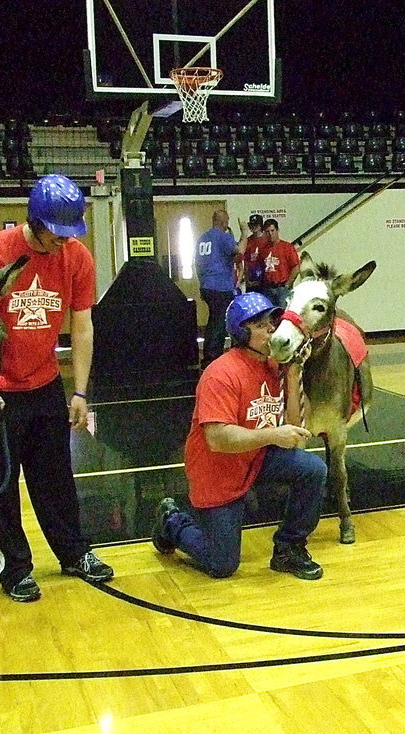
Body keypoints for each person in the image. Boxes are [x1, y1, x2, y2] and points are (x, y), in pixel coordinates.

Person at [0, 173, 114, 602]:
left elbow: (82, 324)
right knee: (2, 484)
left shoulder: (76, 257)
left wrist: (80, 391)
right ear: (36, 220)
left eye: (71, 234)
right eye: (57, 233)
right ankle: (14, 568)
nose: (63, 242)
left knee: (55, 477)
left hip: (47, 383)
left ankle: (73, 552)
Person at [151, 292, 328, 580]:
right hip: (217, 469)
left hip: (255, 458)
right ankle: (172, 522)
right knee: (222, 565)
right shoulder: (221, 374)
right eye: (260, 325)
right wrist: (272, 434)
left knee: (313, 469)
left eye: (271, 321)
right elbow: (217, 439)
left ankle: (289, 548)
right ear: (240, 333)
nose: (271, 329)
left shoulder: (274, 368)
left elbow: (296, 433)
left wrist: (293, 375)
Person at [196, 209, 248, 367]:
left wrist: (202, 282)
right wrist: (244, 232)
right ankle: (212, 357)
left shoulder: (203, 238)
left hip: (207, 285)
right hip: (220, 286)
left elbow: (197, 263)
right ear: (224, 222)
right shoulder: (222, 237)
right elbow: (240, 250)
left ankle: (210, 355)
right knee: (219, 322)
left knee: (214, 320)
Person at [258, 218, 300, 307]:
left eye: (272, 231)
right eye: (267, 231)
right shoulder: (263, 250)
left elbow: (296, 267)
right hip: (267, 289)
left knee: (283, 314)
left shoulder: (287, 247)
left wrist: (288, 284)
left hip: (282, 288)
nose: (270, 234)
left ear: (277, 230)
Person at [237, 213, 268, 293]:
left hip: (265, 278)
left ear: (260, 226)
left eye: (256, 225)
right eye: (251, 225)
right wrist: (247, 279)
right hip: (252, 278)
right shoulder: (248, 241)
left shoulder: (267, 239)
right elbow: (246, 262)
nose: (253, 227)